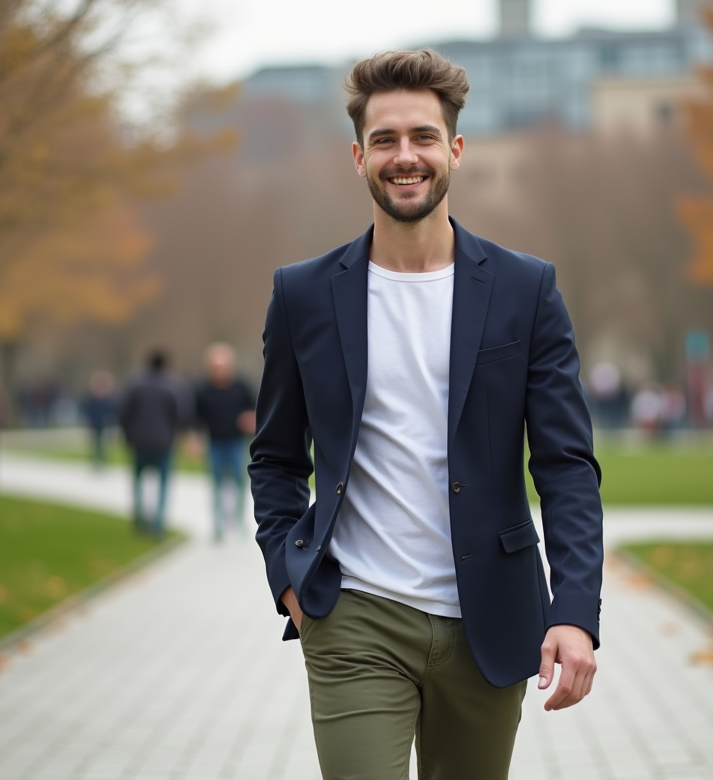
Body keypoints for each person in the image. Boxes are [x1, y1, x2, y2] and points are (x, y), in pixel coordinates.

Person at [248, 50, 603, 780]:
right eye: (384, 140)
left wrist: (574, 610)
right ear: (359, 156)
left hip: (490, 619)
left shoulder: (525, 290)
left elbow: (566, 466)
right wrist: (288, 576)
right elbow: (276, 457)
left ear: (456, 150)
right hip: (354, 615)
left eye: (422, 137)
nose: (404, 156)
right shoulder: (303, 296)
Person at [118, 350, 187, 539]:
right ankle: (158, 523)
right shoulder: (173, 386)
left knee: (138, 480)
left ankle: (139, 518)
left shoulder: (135, 384)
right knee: (163, 483)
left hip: (139, 440)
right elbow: (180, 414)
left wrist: (127, 435)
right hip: (164, 441)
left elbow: (124, 413)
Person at [193, 344, 256, 541]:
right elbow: (197, 418)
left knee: (239, 482)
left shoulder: (241, 387)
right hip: (214, 444)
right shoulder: (203, 390)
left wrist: (250, 419)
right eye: (215, 366)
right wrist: (195, 439)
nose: (219, 370)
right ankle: (218, 525)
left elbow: (254, 409)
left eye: (222, 366)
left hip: (236, 442)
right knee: (217, 484)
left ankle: (239, 520)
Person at [82, 371, 117, 470]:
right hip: (95, 422)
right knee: (95, 443)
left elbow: (112, 410)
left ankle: (103, 460)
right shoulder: (91, 397)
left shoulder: (108, 398)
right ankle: (96, 460)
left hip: (104, 422)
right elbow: (88, 410)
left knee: (104, 443)